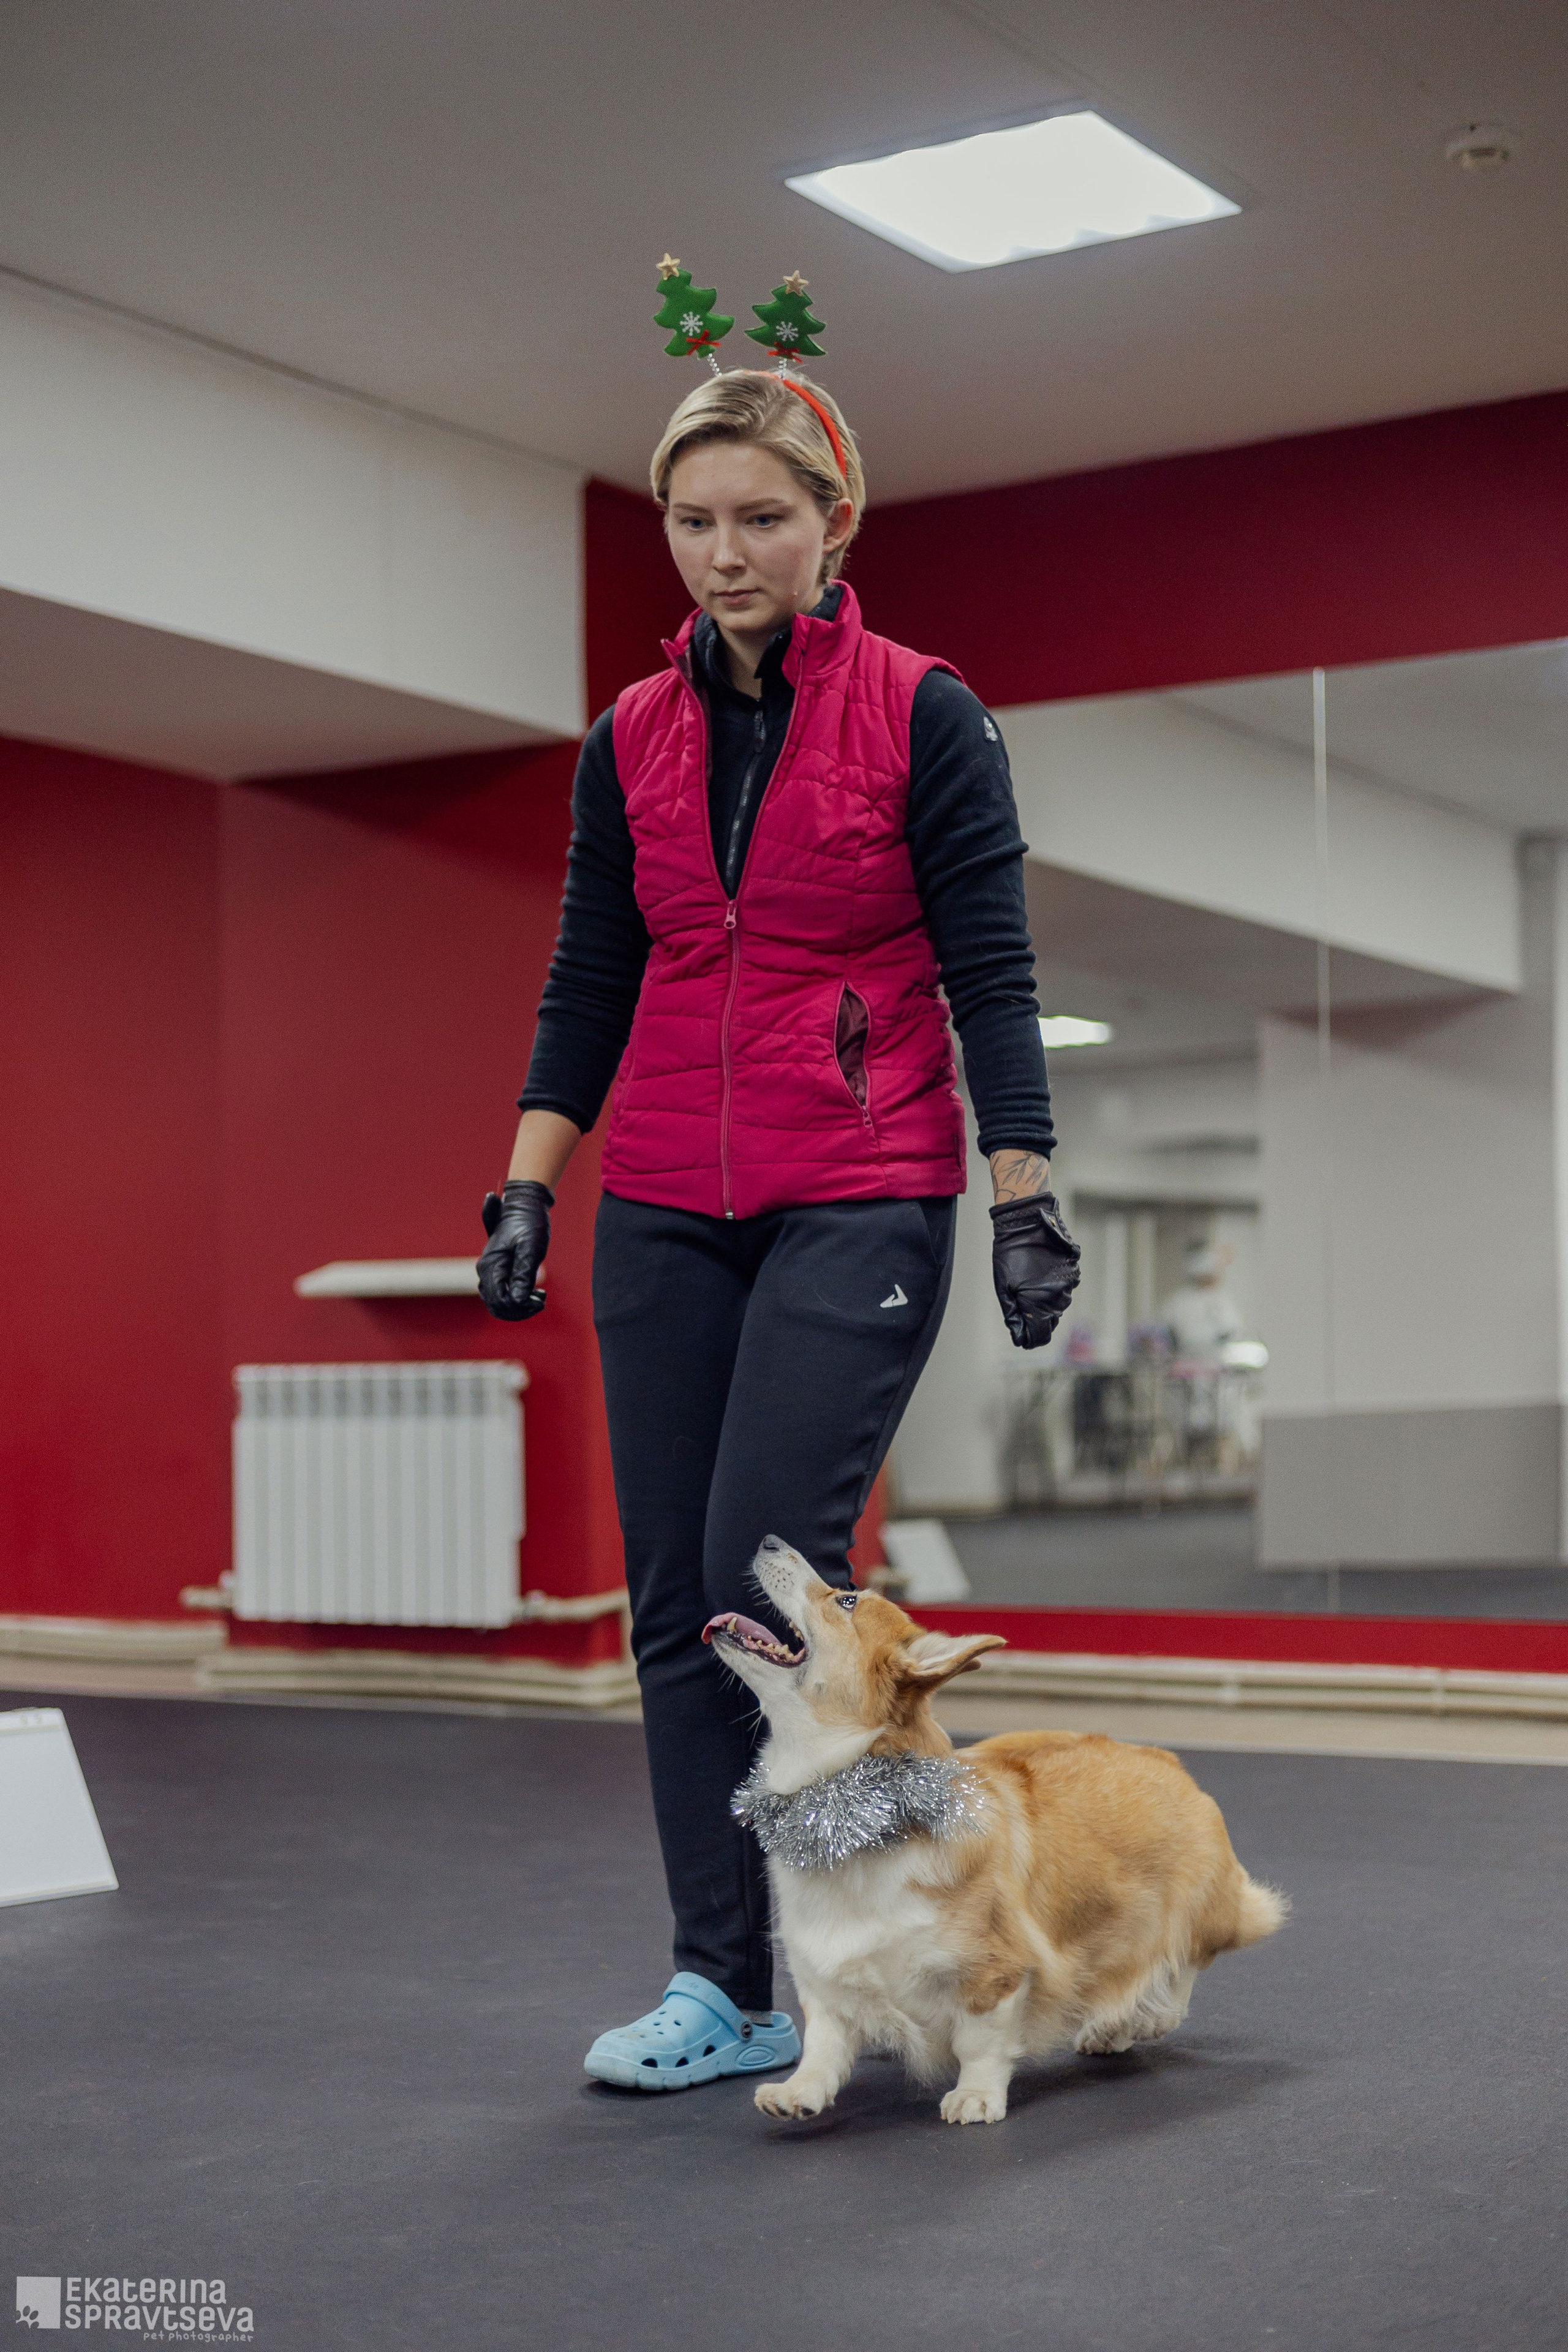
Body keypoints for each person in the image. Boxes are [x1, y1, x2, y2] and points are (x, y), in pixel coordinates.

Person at [477, 363, 1080, 2093]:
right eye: (693, 521)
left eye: (760, 518)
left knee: (770, 1582)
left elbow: (992, 969)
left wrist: (1022, 1190)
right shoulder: (631, 737)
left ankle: (900, 1949)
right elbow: (593, 972)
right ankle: (723, 1985)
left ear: (835, 523)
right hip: (668, 1195)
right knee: (680, 1596)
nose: (723, 553)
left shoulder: (923, 713)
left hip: (863, 1182)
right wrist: (528, 1180)